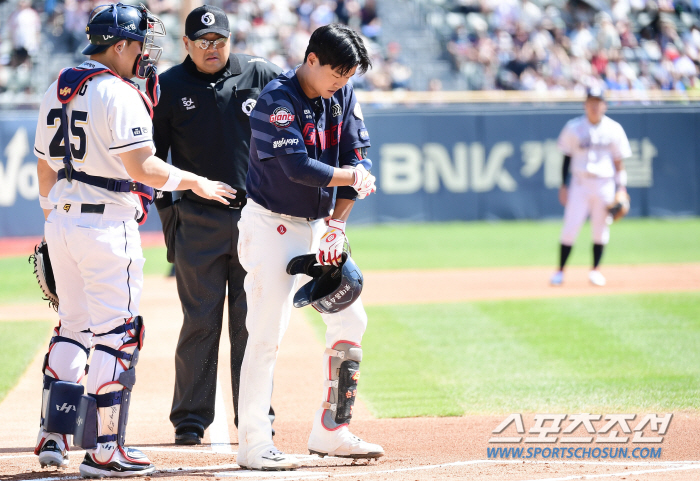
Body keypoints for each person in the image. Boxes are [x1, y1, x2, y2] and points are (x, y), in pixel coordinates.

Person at [33, 3, 235, 477]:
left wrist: (55, 222)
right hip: (105, 226)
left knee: (72, 326)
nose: (147, 53)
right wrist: (195, 182)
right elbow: (144, 167)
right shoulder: (117, 93)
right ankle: (106, 449)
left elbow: (44, 169)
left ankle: (54, 435)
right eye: (141, 44)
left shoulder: (57, 87)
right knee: (117, 334)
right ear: (119, 45)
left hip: (62, 220)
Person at [236, 24, 383, 471]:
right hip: (271, 226)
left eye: (350, 74)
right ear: (312, 59)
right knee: (266, 334)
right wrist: (352, 177)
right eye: (337, 71)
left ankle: (331, 430)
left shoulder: (342, 94)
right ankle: (254, 443)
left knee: (351, 316)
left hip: (320, 224)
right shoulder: (276, 100)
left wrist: (337, 224)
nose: (342, 81)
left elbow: (356, 156)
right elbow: (299, 166)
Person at [151, 5, 281, 445]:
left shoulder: (261, 75)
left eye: (220, 41)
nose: (212, 49)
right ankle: (189, 419)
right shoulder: (167, 87)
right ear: (185, 43)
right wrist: (173, 219)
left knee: (253, 323)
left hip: (255, 220)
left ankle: (255, 415)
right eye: (203, 42)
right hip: (198, 220)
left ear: (232, 40)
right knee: (200, 322)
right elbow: (152, 162)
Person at [550, 86, 631, 287]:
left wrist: (622, 188)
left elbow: (619, 162)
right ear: (585, 105)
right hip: (580, 183)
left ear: (604, 105)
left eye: (598, 102)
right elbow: (566, 158)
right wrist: (563, 185)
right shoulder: (573, 127)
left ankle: (595, 271)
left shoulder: (614, 129)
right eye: (591, 102)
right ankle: (560, 271)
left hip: (605, 184)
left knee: (600, 229)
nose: (594, 106)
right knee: (570, 228)